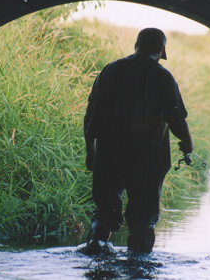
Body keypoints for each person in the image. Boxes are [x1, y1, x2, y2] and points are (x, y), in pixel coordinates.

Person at [82, 28, 193, 254]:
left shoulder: (110, 70)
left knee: (104, 210)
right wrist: (188, 144)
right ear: (162, 50)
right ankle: (139, 265)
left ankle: (95, 251)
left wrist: (90, 151)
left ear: (136, 45)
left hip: (109, 153)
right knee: (143, 218)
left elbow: (91, 113)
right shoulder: (163, 77)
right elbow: (176, 118)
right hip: (147, 159)